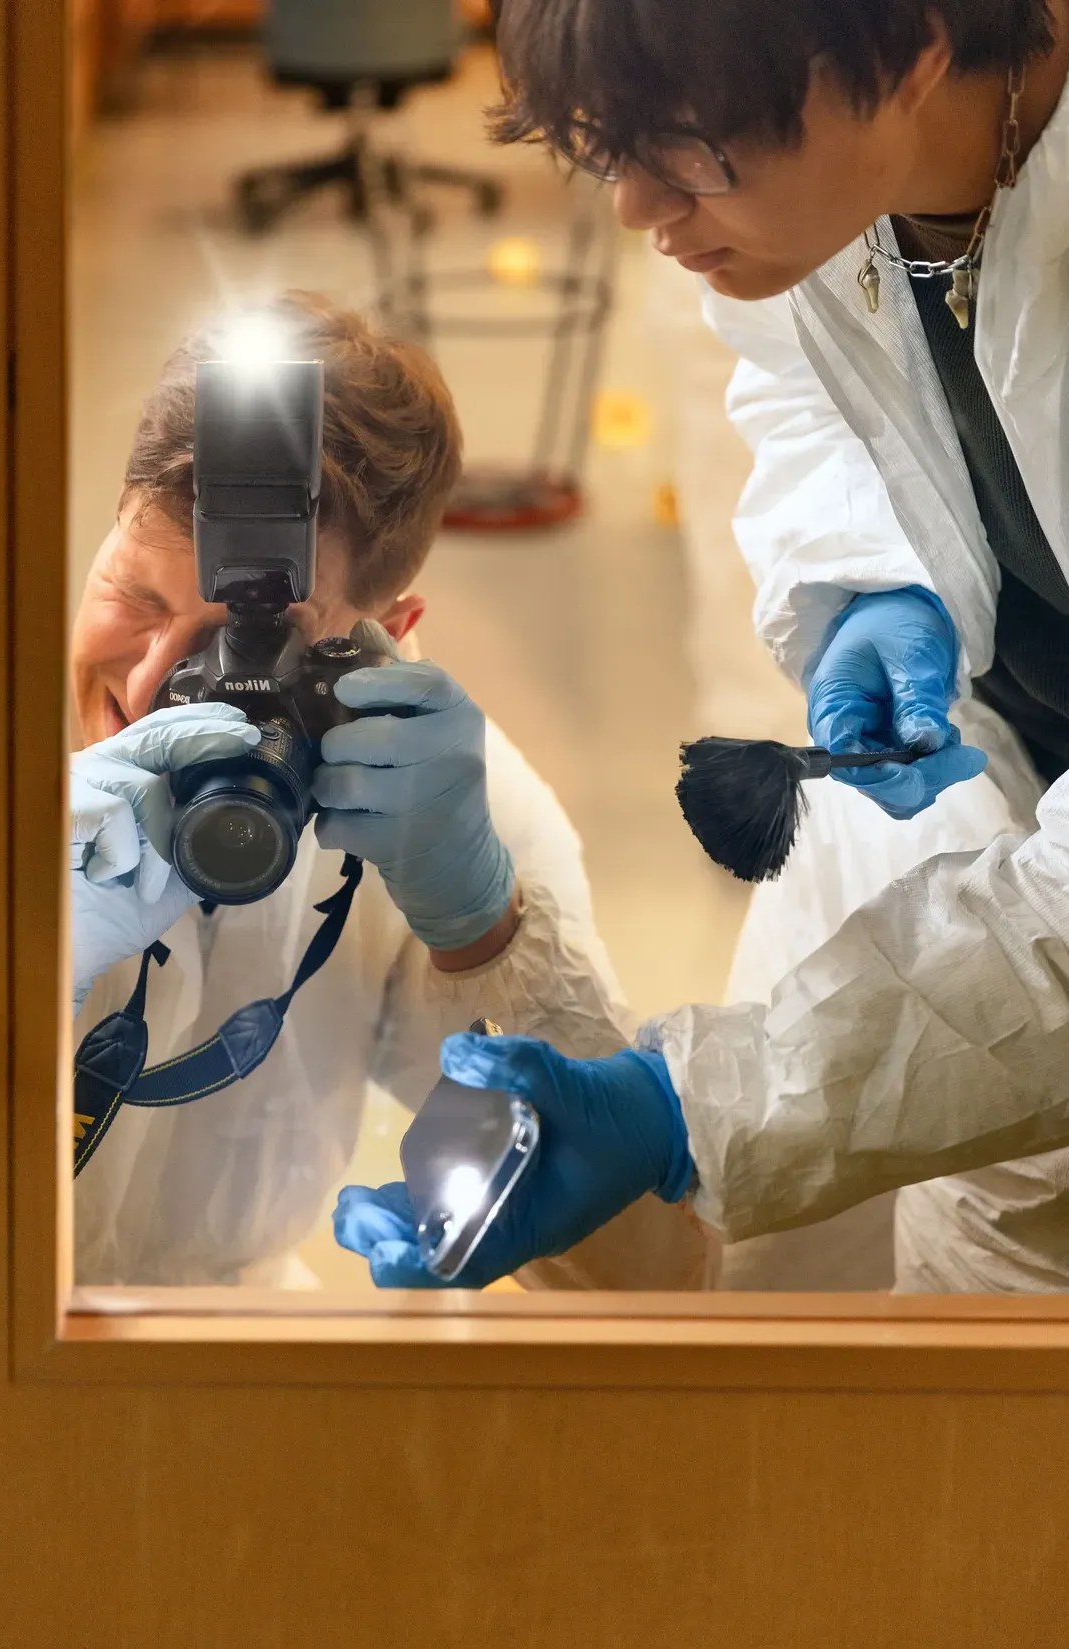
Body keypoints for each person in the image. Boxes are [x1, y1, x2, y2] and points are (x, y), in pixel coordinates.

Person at [337, 0, 1069, 1293]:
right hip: (979, 780)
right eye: (610, 149)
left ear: (913, 52)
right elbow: (805, 378)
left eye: (684, 148)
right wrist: (875, 581)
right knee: (778, 1306)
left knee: (988, 1346)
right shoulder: (836, 190)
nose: (632, 208)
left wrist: (693, 1109)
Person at [71, 289, 715, 1291]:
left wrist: (484, 929)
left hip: (220, 1365)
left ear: (388, 635)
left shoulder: (436, 805)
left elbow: (643, 1277)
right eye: (132, 595)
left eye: (241, 647)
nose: (154, 687)